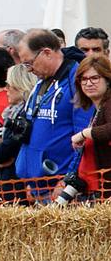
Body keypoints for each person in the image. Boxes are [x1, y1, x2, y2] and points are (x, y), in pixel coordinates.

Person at [15, 28, 94, 201]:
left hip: (60, 187)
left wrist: (68, 179)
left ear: (47, 53)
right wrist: (30, 179)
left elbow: (84, 135)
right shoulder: (43, 82)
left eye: (29, 63)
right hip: (39, 185)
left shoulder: (77, 81)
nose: (29, 70)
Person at [70, 52, 111, 195]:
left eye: (95, 78)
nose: (88, 83)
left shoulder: (109, 104)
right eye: (84, 79)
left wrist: (83, 134)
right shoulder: (98, 109)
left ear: (107, 80)